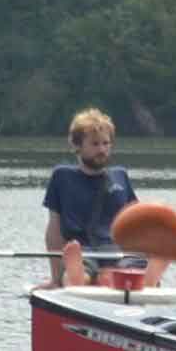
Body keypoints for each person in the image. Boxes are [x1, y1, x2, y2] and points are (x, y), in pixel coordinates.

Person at [44, 109, 144, 289]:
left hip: (117, 251)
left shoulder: (120, 176)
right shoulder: (62, 177)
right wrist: (55, 279)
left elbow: (136, 226)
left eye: (106, 143)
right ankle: (76, 278)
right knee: (80, 275)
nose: (102, 149)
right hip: (82, 250)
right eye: (95, 144)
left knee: (134, 275)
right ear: (77, 145)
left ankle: (144, 278)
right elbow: (54, 231)